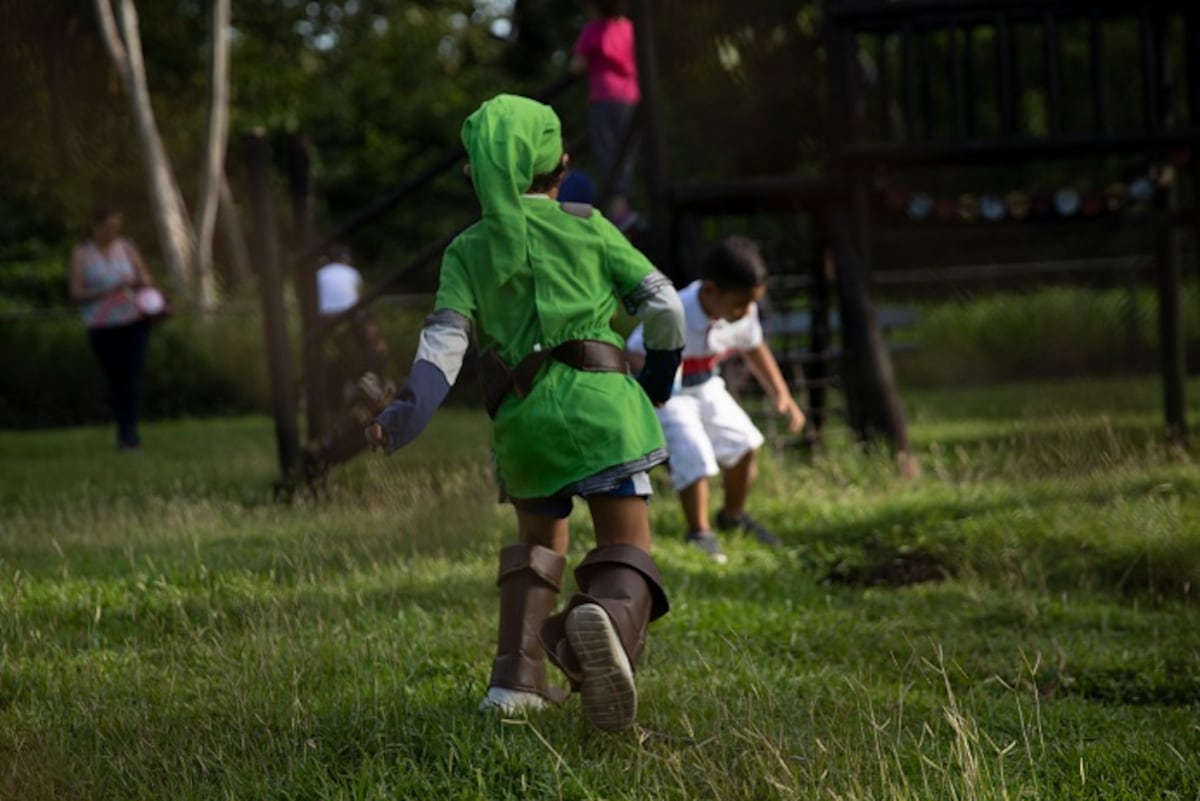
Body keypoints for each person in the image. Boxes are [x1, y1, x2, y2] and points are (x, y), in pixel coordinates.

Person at [364, 94, 685, 732]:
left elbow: (441, 352)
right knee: (625, 545)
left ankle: (516, 683)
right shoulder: (587, 223)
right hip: (604, 417)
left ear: (474, 174)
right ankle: (607, 625)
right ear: (560, 165)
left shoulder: (466, 251)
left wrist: (402, 417)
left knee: (538, 546)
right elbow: (667, 307)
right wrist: (658, 375)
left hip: (525, 426)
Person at [626, 236, 806, 563]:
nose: (746, 312)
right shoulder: (674, 310)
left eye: (751, 304)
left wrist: (782, 394)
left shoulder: (742, 313)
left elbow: (754, 347)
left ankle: (732, 516)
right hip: (672, 395)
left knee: (746, 443)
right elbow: (635, 352)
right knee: (695, 453)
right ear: (710, 291)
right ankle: (699, 531)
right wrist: (656, 388)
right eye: (740, 304)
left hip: (708, 385)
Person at [69, 207, 158, 450]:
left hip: (133, 320)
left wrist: (140, 282)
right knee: (115, 378)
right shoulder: (81, 253)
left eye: (116, 228)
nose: (112, 233)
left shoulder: (127, 247)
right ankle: (123, 426)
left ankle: (129, 433)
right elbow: (75, 293)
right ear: (95, 227)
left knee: (132, 376)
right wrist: (107, 292)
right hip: (102, 325)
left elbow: (145, 277)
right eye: (108, 227)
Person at [570, 0, 640, 232]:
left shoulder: (593, 30)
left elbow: (577, 66)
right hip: (630, 97)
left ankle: (616, 209)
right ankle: (624, 207)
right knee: (625, 152)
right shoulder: (629, 28)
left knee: (606, 152)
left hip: (604, 97)